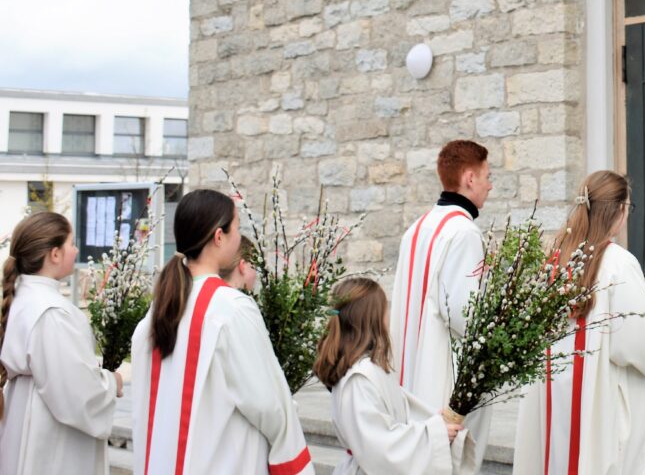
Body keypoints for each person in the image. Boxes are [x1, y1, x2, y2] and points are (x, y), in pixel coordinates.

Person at [132, 189, 313, 475]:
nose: (240, 237)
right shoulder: (232, 309)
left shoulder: (156, 313)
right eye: (237, 228)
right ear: (219, 237)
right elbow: (269, 406)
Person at [512, 170, 645, 474]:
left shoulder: (555, 256)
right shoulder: (618, 263)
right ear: (620, 211)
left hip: (554, 386)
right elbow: (640, 339)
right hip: (598, 394)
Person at [390, 140, 492, 474]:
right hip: (441, 379)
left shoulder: (415, 229)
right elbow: (466, 317)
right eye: (487, 176)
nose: (490, 185)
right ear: (469, 178)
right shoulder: (463, 232)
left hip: (409, 371)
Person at [0, 212, 122, 475]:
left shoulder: (24, 298)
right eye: (71, 243)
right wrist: (112, 382)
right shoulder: (52, 312)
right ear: (54, 254)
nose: (76, 250)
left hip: (25, 413)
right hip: (49, 432)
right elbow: (77, 392)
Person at [315, 277, 473, 475]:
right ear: (371, 316)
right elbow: (379, 445)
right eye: (385, 307)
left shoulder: (369, 368)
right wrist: (434, 435)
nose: (389, 313)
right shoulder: (359, 378)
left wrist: (433, 424)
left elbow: (395, 416)